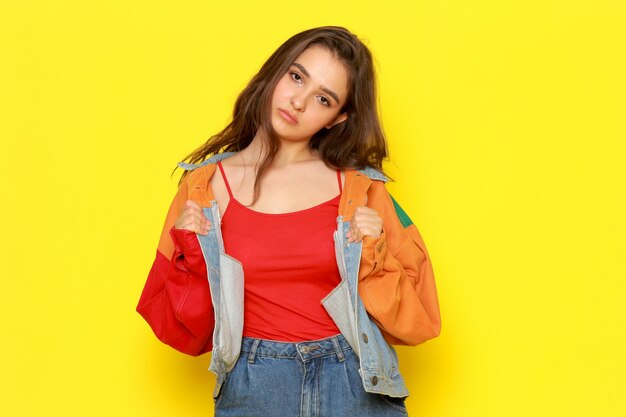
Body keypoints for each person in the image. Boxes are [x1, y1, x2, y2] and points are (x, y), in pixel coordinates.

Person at [136, 26, 441, 417]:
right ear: (276, 72)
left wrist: (374, 254)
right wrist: (190, 256)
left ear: (338, 117)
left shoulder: (363, 191)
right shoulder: (203, 189)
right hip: (254, 386)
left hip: (355, 384)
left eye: (323, 98)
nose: (298, 102)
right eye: (296, 76)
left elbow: (420, 321)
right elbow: (180, 331)